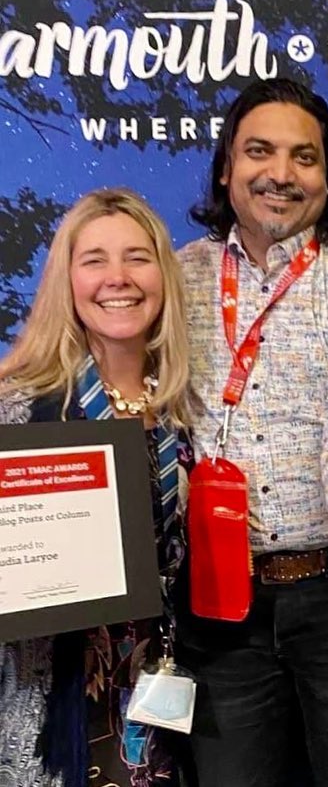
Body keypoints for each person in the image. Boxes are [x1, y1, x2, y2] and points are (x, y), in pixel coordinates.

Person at [175, 77, 328, 787]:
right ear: (226, 166)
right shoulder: (176, 273)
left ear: (325, 173)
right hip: (214, 606)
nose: (280, 174)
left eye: (303, 157)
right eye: (259, 151)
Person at [0, 188, 196, 787]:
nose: (118, 278)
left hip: (163, 691)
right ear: (68, 280)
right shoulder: (19, 411)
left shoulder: (189, 410)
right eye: (95, 261)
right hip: (54, 696)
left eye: (138, 258)